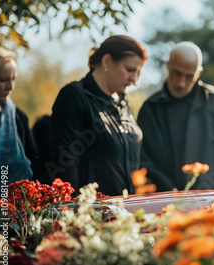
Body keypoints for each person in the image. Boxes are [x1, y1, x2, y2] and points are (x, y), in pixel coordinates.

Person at [137, 41, 214, 191]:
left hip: (213, 206)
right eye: (177, 73)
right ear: (168, 66)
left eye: (189, 76)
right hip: (164, 206)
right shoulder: (150, 108)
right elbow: (142, 160)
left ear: (199, 73)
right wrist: (170, 195)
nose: (181, 83)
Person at [49, 35, 147, 196]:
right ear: (107, 61)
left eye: (138, 73)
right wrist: (74, 212)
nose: (134, 80)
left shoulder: (123, 102)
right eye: (129, 70)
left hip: (127, 210)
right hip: (92, 212)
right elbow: (65, 161)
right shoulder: (74, 95)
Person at [0, 47, 38, 194]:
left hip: (17, 206)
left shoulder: (18, 117)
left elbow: (34, 159)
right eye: (3, 80)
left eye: (13, 79)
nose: (10, 87)